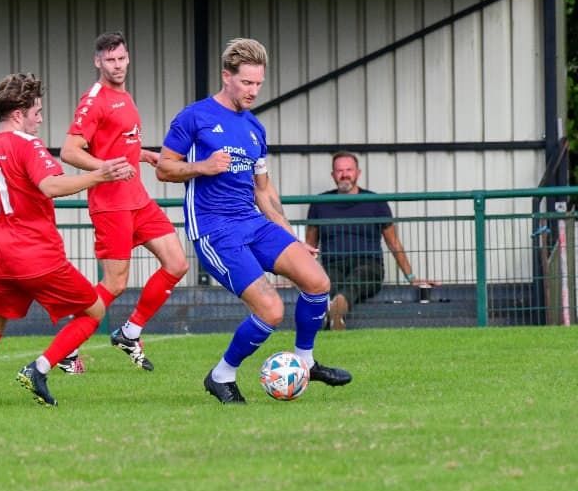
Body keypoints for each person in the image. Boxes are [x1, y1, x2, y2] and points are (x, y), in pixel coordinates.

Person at [156, 38, 352, 405]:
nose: (253, 91)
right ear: (226, 76)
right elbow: (164, 168)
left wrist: (291, 237)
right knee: (271, 310)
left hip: (252, 222)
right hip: (215, 230)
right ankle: (221, 375)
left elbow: (263, 190)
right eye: (246, 82)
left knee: (317, 281)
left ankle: (306, 362)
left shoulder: (254, 128)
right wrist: (203, 166)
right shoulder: (194, 117)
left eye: (258, 83)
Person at [0, 73, 134, 408]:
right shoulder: (27, 145)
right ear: (18, 114)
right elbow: (49, 186)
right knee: (94, 310)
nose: (40, 119)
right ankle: (40, 368)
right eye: (37, 112)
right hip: (38, 256)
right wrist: (99, 175)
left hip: (1, 261)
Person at [59, 31, 189, 373]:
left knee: (177, 263)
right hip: (111, 203)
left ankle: (129, 333)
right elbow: (69, 151)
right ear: (98, 62)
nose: (117, 65)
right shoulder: (94, 100)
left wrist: (141, 154)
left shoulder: (124, 96)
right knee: (115, 283)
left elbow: (116, 141)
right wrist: (105, 167)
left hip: (138, 200)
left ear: (128, 58)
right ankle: (68, 351)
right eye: (110, 60)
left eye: (121, 58)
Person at [305, 151, 435, 331]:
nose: (344, 174)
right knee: (328, 282)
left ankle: (335, 310)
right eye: (339, 170)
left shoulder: (375, 202)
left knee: (357, 281)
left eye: (349, 170)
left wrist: (412, 278)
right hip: (333, 264)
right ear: (333, 175)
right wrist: (296, 279)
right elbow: (309, 246)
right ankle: (334, 312)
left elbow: (393, 242)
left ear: (358, 173)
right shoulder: (319, 203)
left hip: (368, 264)